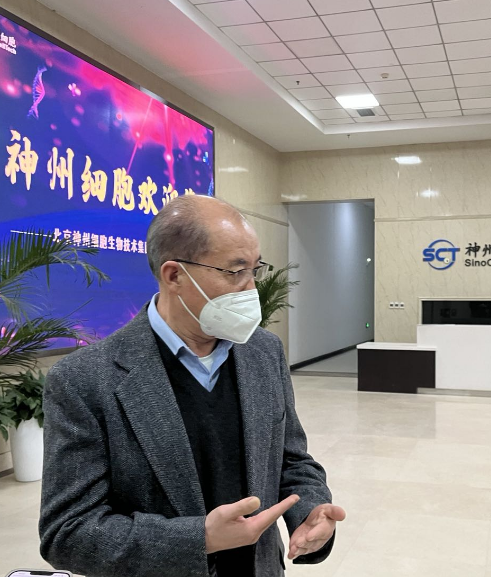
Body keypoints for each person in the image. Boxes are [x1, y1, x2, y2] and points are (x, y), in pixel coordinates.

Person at [39, 195, 345, 577]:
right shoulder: (84, 380)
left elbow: (291, 459)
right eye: (235, 271)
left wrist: (311, 510)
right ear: (174, 276)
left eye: (255, 269)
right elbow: (67, 533)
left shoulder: (264, 352)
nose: (251, 289)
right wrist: (199, 539)